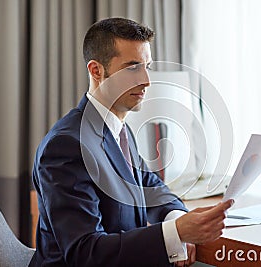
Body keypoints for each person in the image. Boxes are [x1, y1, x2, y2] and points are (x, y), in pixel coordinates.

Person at [30, 17, 234, 267]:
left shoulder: (119, 131)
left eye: (147, 66)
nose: (147, 80)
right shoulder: (66, 146)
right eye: (132, 67)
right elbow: (85, 253)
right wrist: (176, 233)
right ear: (96, 71)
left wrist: (177, 218)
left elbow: (150, 186)